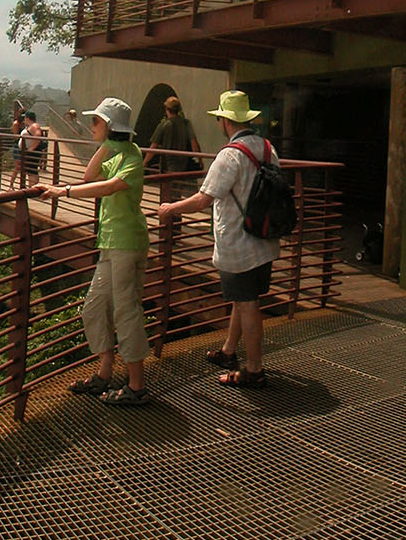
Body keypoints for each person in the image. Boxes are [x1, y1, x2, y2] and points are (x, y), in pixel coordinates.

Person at [27, 99, 163, 407]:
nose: (91, 127)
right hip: (110, 242)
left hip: (128, 242)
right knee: (94, 308)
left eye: (97, 122)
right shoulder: (115, 151)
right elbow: (90, 175)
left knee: (126, 311)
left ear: (111, 127)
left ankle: (137, 385)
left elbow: (109, 187)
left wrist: (64, 191)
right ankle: (104, 372)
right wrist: (106, 140)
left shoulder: (132, 155)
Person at [149, 91, 291, 384]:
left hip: (239, 244)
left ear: (224, 121)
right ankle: (229, 350)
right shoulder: (267, 148)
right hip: (264, 238)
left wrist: (170, 208)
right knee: (244, 299)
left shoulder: (230, 155)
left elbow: (204, 199)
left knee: (248, 304)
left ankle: (254, 370)